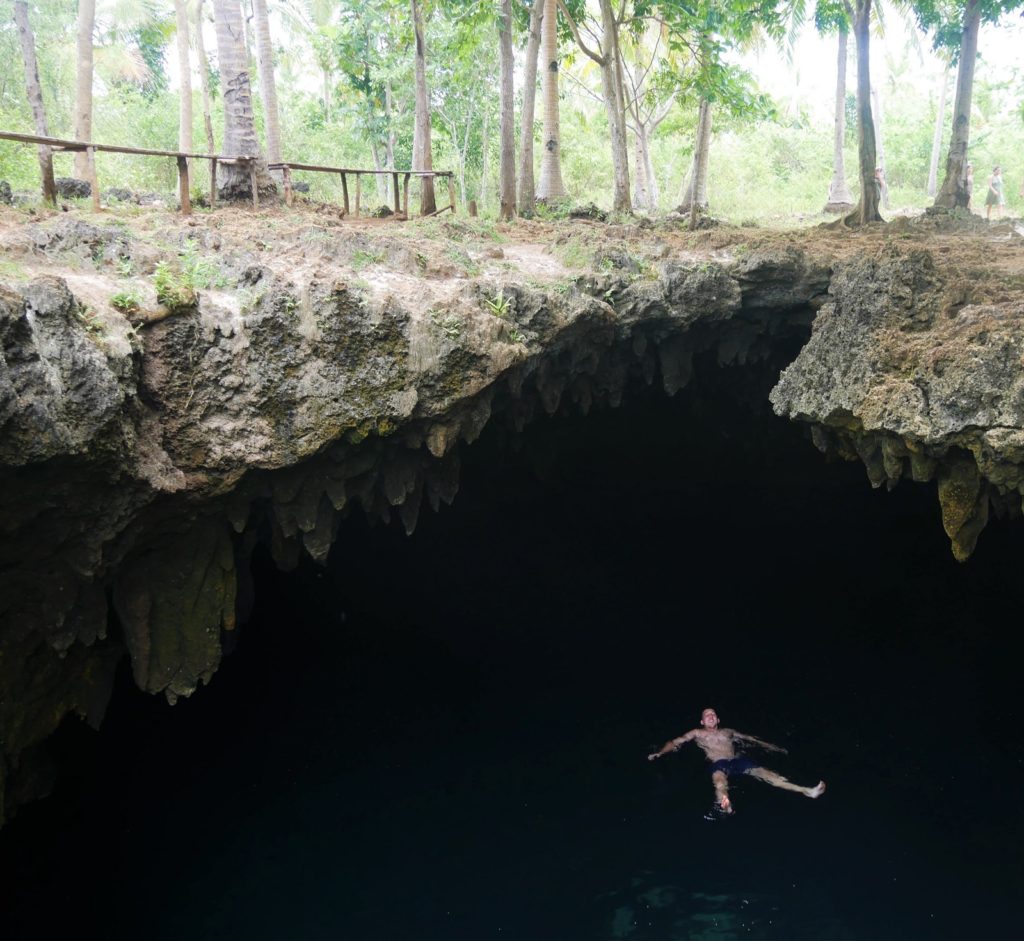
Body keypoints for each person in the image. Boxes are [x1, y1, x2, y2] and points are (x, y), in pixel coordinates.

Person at [647, 707, 825, 815]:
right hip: (719, 763)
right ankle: (725, 804)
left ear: (717, 719)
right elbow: (676, 741)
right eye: (707, 715)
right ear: (702, 721)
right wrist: (661, 753)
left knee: (769, 775)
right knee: (719, 780)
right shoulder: (697, 733)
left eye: (713, 714)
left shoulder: (728, 732)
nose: (710, 716)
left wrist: (772, 747)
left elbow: (752, 740)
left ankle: (807, 791)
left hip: (738, 761)